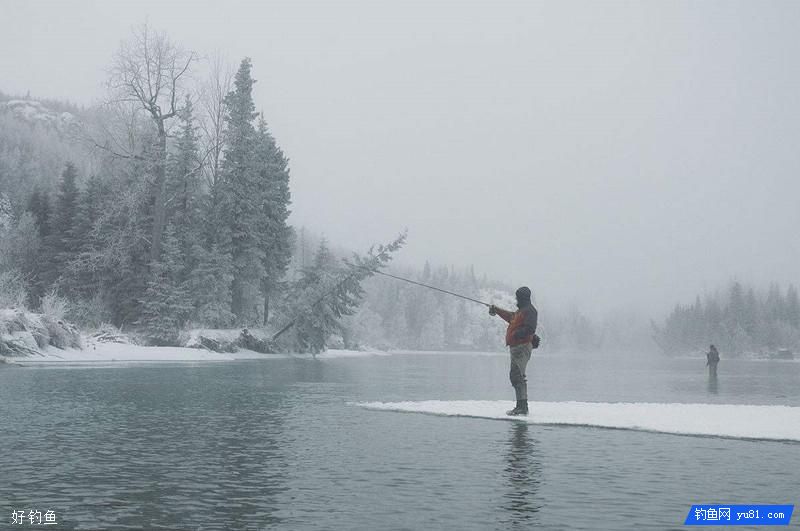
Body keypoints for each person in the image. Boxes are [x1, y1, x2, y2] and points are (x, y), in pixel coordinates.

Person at [489, 286, 538, 416]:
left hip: (522, 347)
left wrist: (516, 334)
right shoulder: (521, 311)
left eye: (518, 297)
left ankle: (522, 407)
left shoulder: (530, 311)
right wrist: (497, 310)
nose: (516, 299)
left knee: (518, 376)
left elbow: (530, 328)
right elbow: (511, 317)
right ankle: (521, 406)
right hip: (517, 348)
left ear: (523, 297)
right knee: (516, 376)